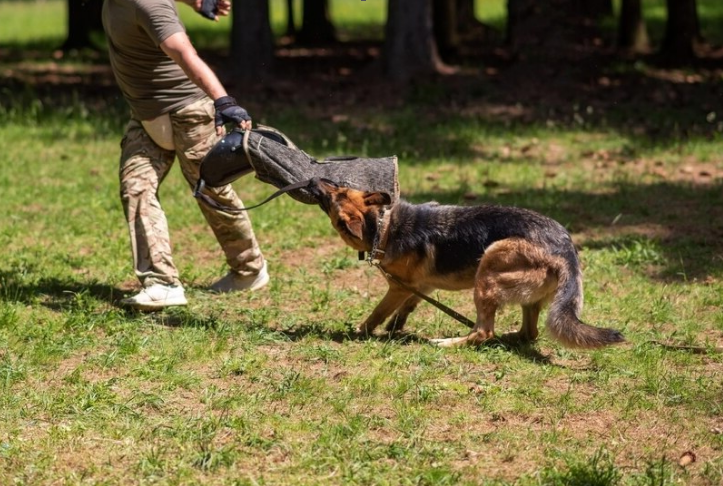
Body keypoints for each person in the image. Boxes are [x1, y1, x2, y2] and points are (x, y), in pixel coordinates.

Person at [102, 0, 269, 310]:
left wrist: (223, 100)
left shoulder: (148, 4)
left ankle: (249, 270)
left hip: (188, 113)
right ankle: (162, 283)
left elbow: (183, 52)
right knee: (136, 188)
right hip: (145, 114)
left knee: (211, 191)